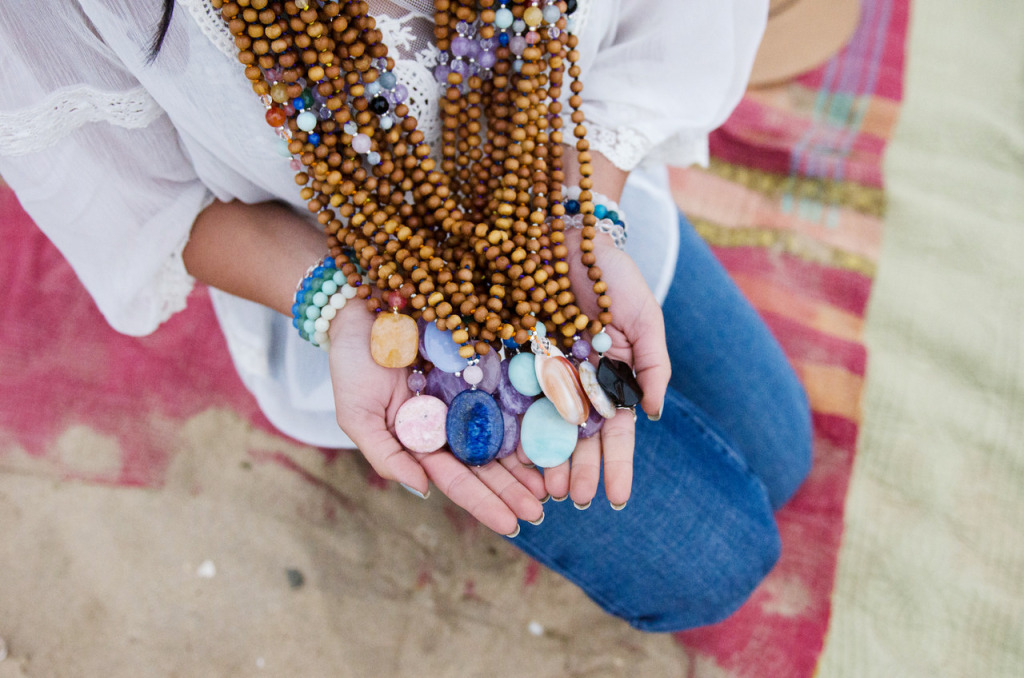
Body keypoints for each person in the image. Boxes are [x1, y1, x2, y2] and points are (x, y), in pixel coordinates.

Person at [0, 0, 810, 631]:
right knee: (721, 561)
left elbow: (663, 26)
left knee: (784, 454)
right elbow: (155, 208)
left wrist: (584, 222)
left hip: (569, 215)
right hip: (391, 309)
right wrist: (347, 309)